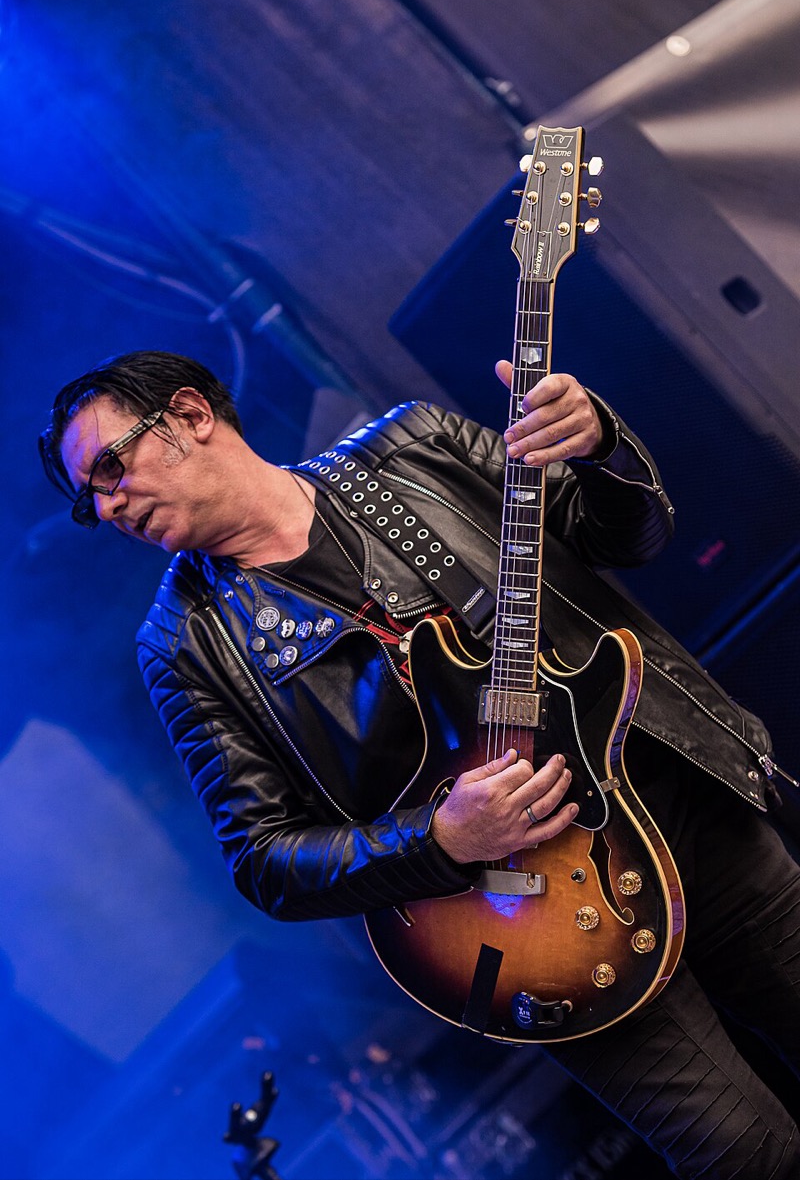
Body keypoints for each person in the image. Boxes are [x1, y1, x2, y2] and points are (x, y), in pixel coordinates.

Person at [39, 349, 800, 1178]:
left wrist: (602, 444)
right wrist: (441, 839)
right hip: (526, 915)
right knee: (746, 1151)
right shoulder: (187, 642)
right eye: (89, 500)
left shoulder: (414, 446)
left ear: (190, 416)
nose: (107, 505)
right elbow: (264, 860)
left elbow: (620, 534)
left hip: (670, 802)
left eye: (110, 466)